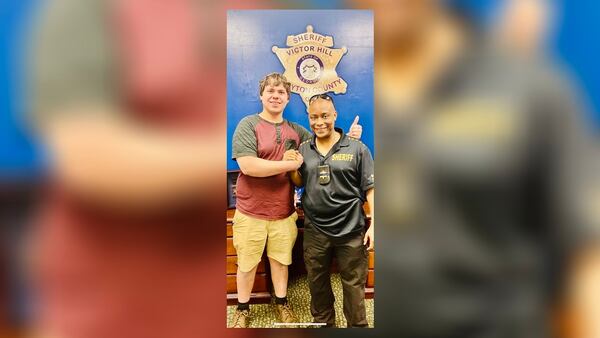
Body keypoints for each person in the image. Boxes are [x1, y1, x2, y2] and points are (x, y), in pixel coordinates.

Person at [230, 73, 362, 328]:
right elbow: (248, 166)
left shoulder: (298, 131)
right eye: (271, 91)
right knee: (246, 264)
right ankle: (242, 309)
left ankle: (282, 303)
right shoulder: (248, 125)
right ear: (262, 95)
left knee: (281, 263)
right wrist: (287, 164)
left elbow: (325, 141)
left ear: (288, 98)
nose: (275, 96)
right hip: (250, 213)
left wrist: (352, 139)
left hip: (283, 212)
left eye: (281, 93)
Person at [288, 93, 374, 327]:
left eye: (325, 116)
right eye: (313, 117)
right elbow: (299, 182)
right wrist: (292, 168)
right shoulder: (304, 149)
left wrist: (375, 224)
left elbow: (371, 188)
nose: (319, 122)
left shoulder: (357, 148)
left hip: (350, 229)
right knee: (317, 283)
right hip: (315, 230)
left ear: (334, 115)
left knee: (353, 285)